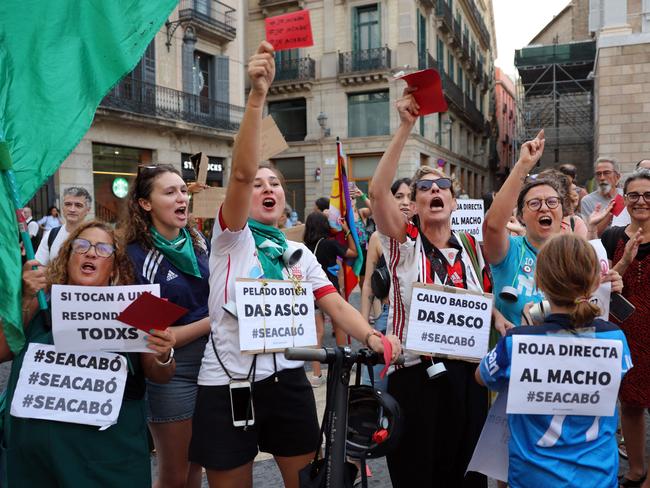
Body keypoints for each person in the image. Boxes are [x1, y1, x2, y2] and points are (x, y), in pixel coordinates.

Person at [189, 41, 401, 488]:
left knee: (309, 482)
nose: (266, 188)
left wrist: (372, 334)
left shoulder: (299, 253)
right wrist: (256, 97)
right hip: (226, 383)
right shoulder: (231, 237)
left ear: (286, 197)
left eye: (276, 184)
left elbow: (333, 303)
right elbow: (242, 174)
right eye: (258, 183)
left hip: (287, 381)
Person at [369, 88, 492, 488]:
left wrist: (503, 321)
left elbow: (482, 301)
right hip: (417, 375)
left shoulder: (471, 247)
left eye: (442, 187)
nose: (434, 191)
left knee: (466, 471)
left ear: (455, 202)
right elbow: (376, 192)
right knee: (419, 471)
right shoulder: (404, 243)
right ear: (416, 206)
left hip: (468, 377)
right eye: (425, 188)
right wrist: (406, 126)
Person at [4, 220, 176, 487]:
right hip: (36, 464)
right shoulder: (38, 301)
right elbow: (3, 350)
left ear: (114, 267)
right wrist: (25, 299)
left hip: (107, 462)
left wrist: (164, 353)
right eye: (81, 246)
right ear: (67, 257)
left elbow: (160, 374)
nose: (91, 253)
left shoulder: (141, 307)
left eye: (103, 249)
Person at [476, 233, 632, 488]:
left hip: (533, 478)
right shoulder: (616, 338)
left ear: (539, 281)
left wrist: (527, 327)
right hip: (597, 477)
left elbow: (482, 377)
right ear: (594, 282)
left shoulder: (517, 342)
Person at [120, 164, 211, 488]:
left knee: (196, 467)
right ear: (145, 204)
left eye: (183, 191)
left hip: (214, 365)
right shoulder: (133, 257)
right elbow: (156, 336)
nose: (181, 198)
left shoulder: (198, 241)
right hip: (172, 372)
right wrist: (212, 321)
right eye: (170, 192)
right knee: (174, 473)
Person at [600, 169, 650, 487]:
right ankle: (636, 468)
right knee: (630, 405)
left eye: (648, 195)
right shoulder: (611, 237)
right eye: (633, 195)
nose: (641, 201)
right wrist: (622, 265)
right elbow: (598, 285)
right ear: (625, 199)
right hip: (624, 334)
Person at [483, 131, 563, 327]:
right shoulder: (510, 251)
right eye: (534, 203)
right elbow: (492, 226)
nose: (544, 207)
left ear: (563, 211)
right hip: (512, 352)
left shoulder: (574, 255)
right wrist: (522, 166)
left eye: (552, 202)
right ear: (520, 216)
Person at [360, 177, 413, 391]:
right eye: (399, 196)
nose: (405, 202)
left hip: (416, 323)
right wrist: (364, 327)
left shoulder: (426, 237)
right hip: (385, 319)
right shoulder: (377, 238)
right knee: (372, 387)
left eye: (410, 196)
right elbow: (367, 286)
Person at [303, 211, 357, 386]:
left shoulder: (303, 247)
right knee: (340, 327)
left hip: (310, 293)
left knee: (317, 333)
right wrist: (347, 231)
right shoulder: (330, 244)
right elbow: (353, 253)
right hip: (329, 292)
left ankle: (316, 375)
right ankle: (342, 368)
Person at [35, 187, 91, 265]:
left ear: (88, 210)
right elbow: (38, 266)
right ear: (62, 207)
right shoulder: (51, 235)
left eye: (78, 205)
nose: (72, 209)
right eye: (68, 204)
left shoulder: (97, 236)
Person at [580, 157, 630, 234]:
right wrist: (609, 214)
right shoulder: (587, 201)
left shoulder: (627, 196)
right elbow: (590, 233)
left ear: (617, 177)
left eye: (606, 173)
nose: (602, 178)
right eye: (598, 174)